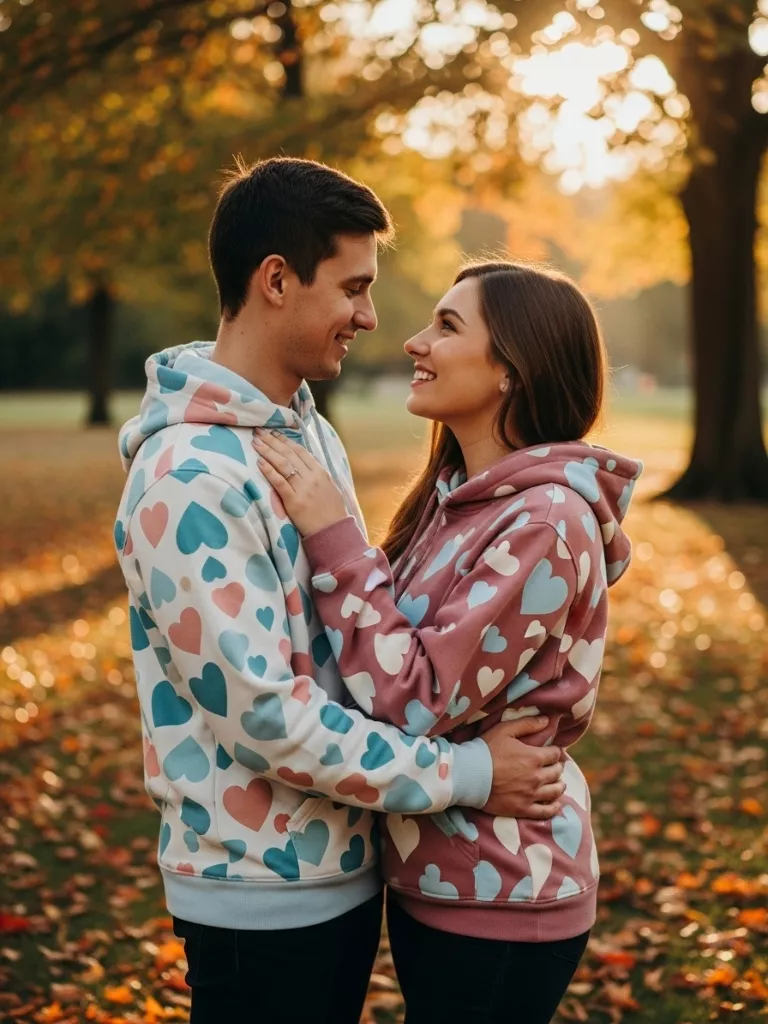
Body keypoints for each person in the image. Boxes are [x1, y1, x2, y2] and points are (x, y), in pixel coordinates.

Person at [114, 161, 566, 1024]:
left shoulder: (306, 432)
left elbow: (356, 638)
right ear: (276, 280)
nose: (370, 316)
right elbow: (268, 720)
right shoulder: (187, 477)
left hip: (344, 876)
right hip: (257, 894)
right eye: (353, 288)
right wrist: (469, 772)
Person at [253, 259, 643, 1024]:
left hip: (501, 891)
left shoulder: (545, 522)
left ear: (511, 371)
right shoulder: (458, 501)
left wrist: (335, 535)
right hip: (445, 878)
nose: (412, 341)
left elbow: (415, 699)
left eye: (447, 325)